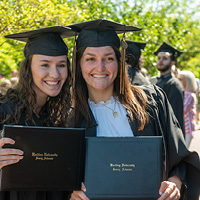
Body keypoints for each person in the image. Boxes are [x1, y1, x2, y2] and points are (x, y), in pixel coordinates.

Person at [68, 19, 200, 200]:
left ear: (120, 62)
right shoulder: (69, 117)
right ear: (79, 63)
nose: (100, 67)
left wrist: (175, 182)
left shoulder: (151, 101)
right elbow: (56, 178)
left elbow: (179, 157)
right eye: (90, 59)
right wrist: (70, 193)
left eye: (109, 58)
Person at [0, 26, 73, 200]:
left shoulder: (59, 117)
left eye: (61, 65)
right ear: (28, 69)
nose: (54, 74)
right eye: (45, 65)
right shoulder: (3, 111)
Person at [154, 42, 185, 136]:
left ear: (172, 62)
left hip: (167, 135)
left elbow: (176, 116)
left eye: (165, 58)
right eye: (159, 58)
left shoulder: (174, 85)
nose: (160, 61)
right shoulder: (158, 82)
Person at [177, 71, 197, 148]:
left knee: (184, 150)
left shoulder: (189, 95)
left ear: (188, 81)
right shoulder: (184, 93)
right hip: (183, 125)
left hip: (187, 126)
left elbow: (183, 109)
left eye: (181, 79)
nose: (178, 80)